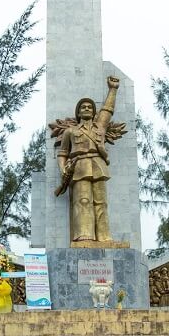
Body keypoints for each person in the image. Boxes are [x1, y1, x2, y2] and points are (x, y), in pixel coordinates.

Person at [57, 76, 120, 243]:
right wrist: (63, 170)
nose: (86, 108)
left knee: (101, 203)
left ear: (93, 112)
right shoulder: (70, 131)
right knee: (83, 201)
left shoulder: (100, 127)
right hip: (79, 166)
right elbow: (62, 153)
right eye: (83, 107)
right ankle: (84, 234)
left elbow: (107, 110)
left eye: (89, 107)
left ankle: (104, 236)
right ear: (78, 113)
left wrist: (113, 89)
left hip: (98, 164)